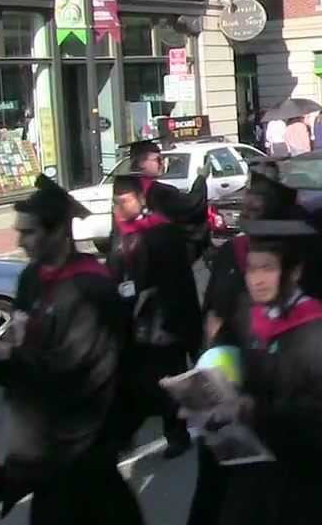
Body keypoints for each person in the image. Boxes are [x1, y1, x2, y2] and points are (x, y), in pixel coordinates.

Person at [0, 176, 142, 525]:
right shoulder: (31, 277)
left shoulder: (91, 287)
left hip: (83, 441)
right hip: (44, 439)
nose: (20, 241)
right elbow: (22, 342)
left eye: (29, 232)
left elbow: (79, 370)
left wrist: (9, 356)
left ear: (59, 231)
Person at [209, 217, 322, 524]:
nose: (256, 279)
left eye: (267, 269)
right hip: (257, 473)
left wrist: (254, 411)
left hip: (309, 484)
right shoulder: (247, 312)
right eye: (251, 269)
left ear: (295, 272)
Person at [189, 171, 306, 525]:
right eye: (246, 208)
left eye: (257, 210)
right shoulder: (231, 253)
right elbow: (212, 308)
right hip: (225, 381)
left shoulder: (294, 261)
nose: (247, 216)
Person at [108, 174, 203, 460]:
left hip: (163, 321)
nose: (119, 208)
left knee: (168, 381)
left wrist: (179, 322)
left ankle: (177, 435)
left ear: (140, 199)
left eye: (124, 201)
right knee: (131, 380)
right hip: (133, 322)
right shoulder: (121, 233)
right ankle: (124, 434)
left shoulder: (163, 232)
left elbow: (179, 283)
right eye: (115, 202)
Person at [125, 139, 211, 260]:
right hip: (163, 258)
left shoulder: (126, 190)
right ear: (141, 163)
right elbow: (192, 204)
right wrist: (201, 179)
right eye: (157, 160)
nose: (162, 164)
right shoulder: (159, 192)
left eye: (163, 160)